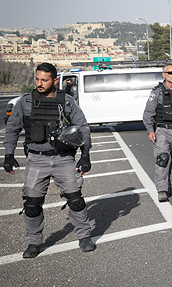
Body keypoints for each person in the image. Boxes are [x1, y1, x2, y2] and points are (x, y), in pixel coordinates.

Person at [3, 62, 95, 258]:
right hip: (37, 159)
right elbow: (12, 129)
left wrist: (85, 155)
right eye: (37, 79)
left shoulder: (67, 101)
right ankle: (34, 242)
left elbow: (83, 128)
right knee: (31, 205)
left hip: (64, 159)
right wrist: (9, 155)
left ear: (54, 80)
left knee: (76, 200)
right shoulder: (25, 102)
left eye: (44, 80)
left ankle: (84, 236)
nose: (39, 83)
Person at [142, 63, 172, 202]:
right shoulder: (157, 91)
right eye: (170, 73)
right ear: (164, 75)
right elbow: (148, 113)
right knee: (162, 159)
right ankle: (162, 189)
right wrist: (150, 130)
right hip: (162, 130)